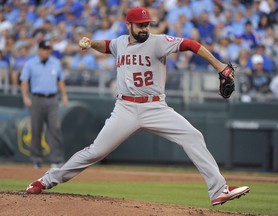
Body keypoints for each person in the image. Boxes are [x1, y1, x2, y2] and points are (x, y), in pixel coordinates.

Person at [26, 7, 249, 206]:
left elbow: (192, 45)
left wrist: (220, 67)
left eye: (147, 24)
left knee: (193, 136)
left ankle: (219, 190)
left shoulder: (158, 41)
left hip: (155, 108)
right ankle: (46, 180)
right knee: (96, 151)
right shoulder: (121, 42)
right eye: (140, 25)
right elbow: (107, 46)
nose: (144, 28)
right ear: (129, 25)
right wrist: (90, 43)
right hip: (124, 108)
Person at [20, 40, 68, 169]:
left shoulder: (55, 62)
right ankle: (36, 159)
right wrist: (25, 97)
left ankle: (57, 160)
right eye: (45, 49)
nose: (47, 52)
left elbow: (60, 81)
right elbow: (24, 81)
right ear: (39, 50)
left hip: (52, 99)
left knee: (55, 128)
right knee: (36, 129)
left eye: (49, 49)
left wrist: (64, 95)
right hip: (36, 98)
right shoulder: (30, 63)